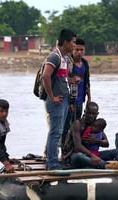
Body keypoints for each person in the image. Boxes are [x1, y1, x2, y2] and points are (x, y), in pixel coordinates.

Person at [69, 102, 118, 169]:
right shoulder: (78, 124)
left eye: (93, 114)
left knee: (117, 151)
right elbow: (78, 146)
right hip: (79, 155)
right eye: (89, 113)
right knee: (79, 156)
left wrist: (97, 141)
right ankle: (108, 165)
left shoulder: (96, 125)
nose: (90, 116)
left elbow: (106, 143)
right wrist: (92, 155)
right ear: (85, 111)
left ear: (97, 114)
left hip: (94, 153)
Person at [42, 29, 77, 170]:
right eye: (73, 42)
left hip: (63, 101)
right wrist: (52, 97)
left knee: (59, 132)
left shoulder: (64, 58)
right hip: (56, 102)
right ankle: (52, 164)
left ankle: (53, 161)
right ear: (66, 42)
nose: (74, 45)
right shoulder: (55, 57)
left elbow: (61, 78)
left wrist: (71, 80)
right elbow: (46, 76)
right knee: (55, 133)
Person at [61, 38, 91, 155]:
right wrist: (69, 103)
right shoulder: (68, 63)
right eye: (77, 49)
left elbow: (87, 82)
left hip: (80, 101)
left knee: (76, 127)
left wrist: (89, 99)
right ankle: (64, 151)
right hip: (69, 101)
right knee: (65, 127)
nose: (79, 52)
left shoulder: (85, 64)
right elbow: (63, 81)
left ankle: (73, 150)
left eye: (81, 50)